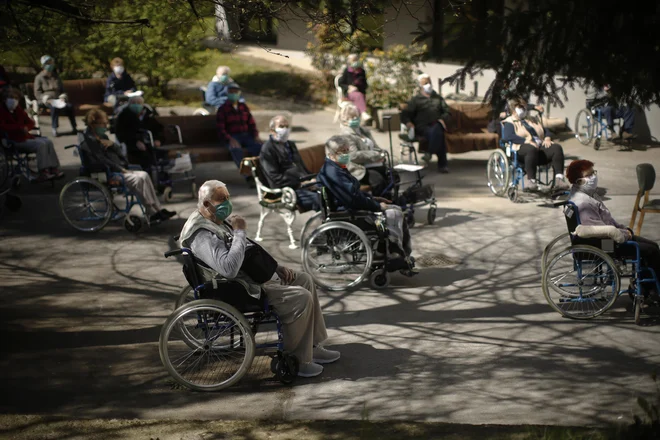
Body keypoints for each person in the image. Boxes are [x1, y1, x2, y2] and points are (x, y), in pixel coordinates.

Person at [179, 180, 340, 378]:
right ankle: (299, 358)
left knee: (304, 279)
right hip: (238, 288)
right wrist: (239, 232)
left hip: (249, 277)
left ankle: (313, 346)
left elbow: (247, 249)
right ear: (206, 204)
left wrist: (275, 267)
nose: (227, 203)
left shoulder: (214, 220)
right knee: (301, 297)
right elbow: (228, 269)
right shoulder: (201, 233)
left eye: (228, 197)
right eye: (222, 199)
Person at [318, 136, 416, 275]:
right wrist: (376, 205)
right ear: (331, 154)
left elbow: (354, 194)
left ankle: (398, 253)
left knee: (396, 209)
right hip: (348, 214)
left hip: (349, 208)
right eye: (342, 151)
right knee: (394, 213)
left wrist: (373, 198)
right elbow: (353, 199)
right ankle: (394, 255)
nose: (346, 154)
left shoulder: (336, 167)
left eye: (347, 150)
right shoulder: (333, 172)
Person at [567, 160, 659, 295]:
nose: (594, 176)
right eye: (590, 174)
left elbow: (607, 220)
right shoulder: (583, 202)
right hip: (604, 244)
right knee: (651, 251)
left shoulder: (588, 194)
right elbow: (599, 230)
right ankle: (651, 289)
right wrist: (625, 234)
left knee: (653, 246)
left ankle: (648, 287)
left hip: (607, 239)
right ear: (580, 181)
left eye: (594, 172)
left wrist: (624, 229)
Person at [80, 109, 175, 223]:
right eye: (103, 124)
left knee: (144, 175)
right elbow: (101, 160)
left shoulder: (103, 136)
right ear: (93, 124)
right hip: (105, 173)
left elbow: (119, 152)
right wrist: (121, 169)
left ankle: (158, 208)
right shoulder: (89, 141)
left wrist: (113, 144)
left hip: (117, 169)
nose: (106, 126)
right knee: (137, 179)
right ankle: (151, 211)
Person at [501, 97, 570, 191]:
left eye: (524, 107)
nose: (523, 109)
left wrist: (547, 138)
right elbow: (508, 137)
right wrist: (526, 141)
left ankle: (559, 180)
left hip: (539, 148)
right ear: (513, 110)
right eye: (520, 107)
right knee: (531, 148)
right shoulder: (509, 122)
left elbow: (546, 131)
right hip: (520, 150)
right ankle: (531, 181)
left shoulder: (532, 119)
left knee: (556, 148)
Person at [0, 87, 64, 182]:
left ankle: (53, 168)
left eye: (16, 98)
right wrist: (19, 128)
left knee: (48, 141)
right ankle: (44, 171)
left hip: (24, 137)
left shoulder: (18, 109)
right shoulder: (1, 110)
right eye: (12, 98)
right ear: (5, 99)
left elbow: (30, 122)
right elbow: (3, 127)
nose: (14, 101)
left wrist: (26, 127)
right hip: (12, 140)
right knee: (41, 145)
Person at [259, 115, 319, 211]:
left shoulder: (290, 145)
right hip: (287, 190)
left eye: (287, 126)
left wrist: (311, 179)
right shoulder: (267, 149)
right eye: (281, 126)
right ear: (272, 130)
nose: (285, 129)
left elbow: (301, 166)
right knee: (321, 199)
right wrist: (300, 183)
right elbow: (275, 177)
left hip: (303, 184)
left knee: (331, 190)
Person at [337, 103, 391, 197]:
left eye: (356, 116)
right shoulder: (345, 134)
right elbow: (353, 156)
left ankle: (393, 202)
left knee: (393, 175)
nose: (355, 119)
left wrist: (381, 153)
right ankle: (381, 205)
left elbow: (375, 146)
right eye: (351, 117)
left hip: (373, 164)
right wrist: (374, 155)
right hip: (359, 169)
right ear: (344, 119)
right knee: (378, 181)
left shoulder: (363, 130)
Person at [400, 73, 451, 173]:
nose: (428, 84)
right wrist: (408, 123)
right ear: (420, 85)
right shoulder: (416, 100)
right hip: (422, 127)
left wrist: (442, 118)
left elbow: (447, 112)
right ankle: (442, 165)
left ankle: (429, 152)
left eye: (429, 82)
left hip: (437, 124)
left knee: (437, 130)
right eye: (425, 83)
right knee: (438, 133)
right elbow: (405, 114)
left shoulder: (438, 98)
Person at [216, 82, 262, 186]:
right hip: (233, 137)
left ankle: (260, 174)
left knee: (260, 147)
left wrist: (255, 135)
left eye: (235, 92)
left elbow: (251, 123)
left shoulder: (243, 107)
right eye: (231, 92)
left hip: (247, 135)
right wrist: (230, 139)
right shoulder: (223, 109)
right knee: (236, 150)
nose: (233, 94)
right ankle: (248, 176)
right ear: (227, 93)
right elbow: (221, 128)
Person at [115, 96, 165, 171]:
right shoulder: (123, 116)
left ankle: (162, 175)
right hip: (132, 144)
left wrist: (158, 140)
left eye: (138, 103)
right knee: (144, 156)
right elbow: (122, 134)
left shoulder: (149, 115)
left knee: (161, 153)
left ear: (143, 104)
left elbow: (158, 129)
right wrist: (135, 142)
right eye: (133, 103)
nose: (136, 105)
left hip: (150, 142)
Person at [33, 55, 77, 137]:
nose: (50, 65)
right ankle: (54, 128)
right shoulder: (39, 77)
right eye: (48, 63)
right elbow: (37, 93)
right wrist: (47, 99)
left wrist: (63, 98)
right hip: (46, 100)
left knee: (70, 106)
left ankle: (74, 127)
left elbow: (62, 90)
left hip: (58, 99)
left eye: (51, 63)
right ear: (43, 65)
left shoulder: (56, 77)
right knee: (54, 107)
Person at [338, 54, 371, 122]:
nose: (354, 61)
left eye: (355, 60)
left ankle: (357, 120)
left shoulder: (361, 71)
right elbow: (340, 83)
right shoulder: (347, 71)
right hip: (349, 93)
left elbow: (365, 85)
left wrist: (357, 88)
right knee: (358, 95)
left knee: (359, 95)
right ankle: (363, 113)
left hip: (360, 92)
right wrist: (349, 87)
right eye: (352, 60)